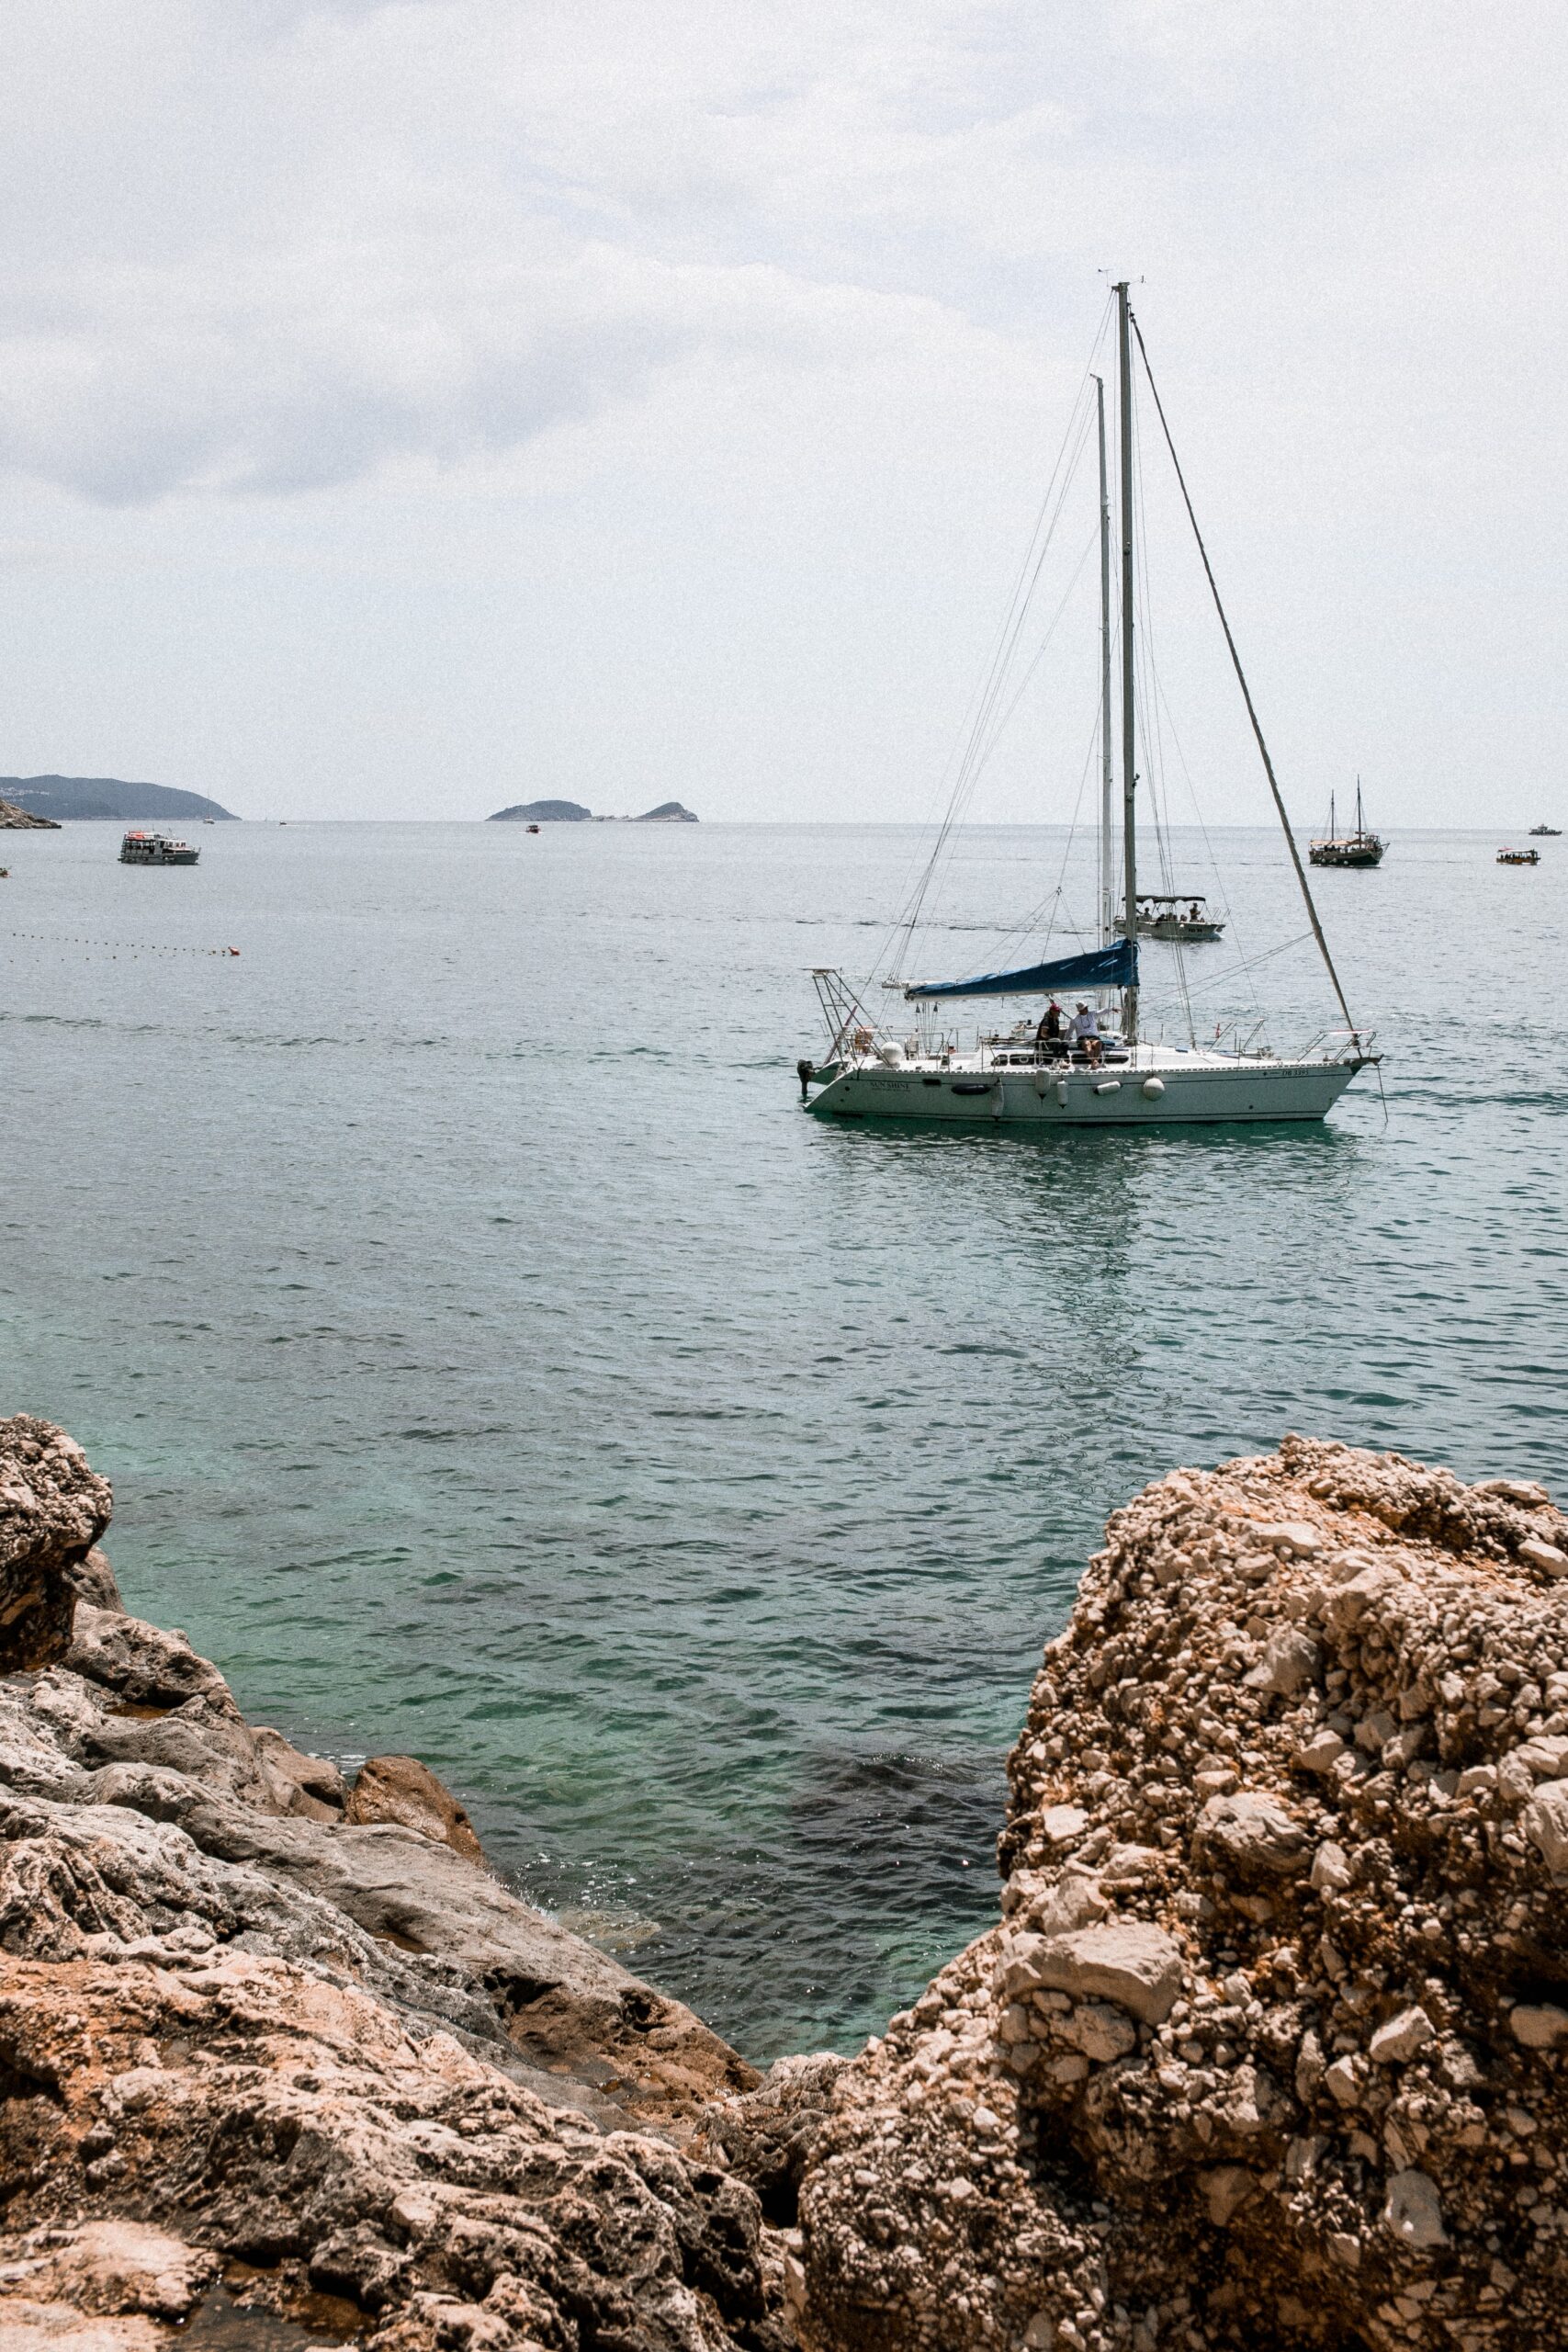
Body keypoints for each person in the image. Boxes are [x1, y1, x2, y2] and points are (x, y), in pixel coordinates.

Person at [1071, 1001, 1103, 1066]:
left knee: (1098, 1043)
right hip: (1082, 1037)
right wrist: (1064, 1040)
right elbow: (1069, 1031)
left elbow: (1102, 1012)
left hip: (1094, 1037)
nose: (1087, 1009)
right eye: (1085, 1008)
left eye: (1086, 1007)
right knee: (1086, 1043)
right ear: (1080, 1010)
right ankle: (1094, 1061)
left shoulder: (1092, 1014)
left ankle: (1095, 1062)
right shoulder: (1075, 1019)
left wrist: (1112, 1009)